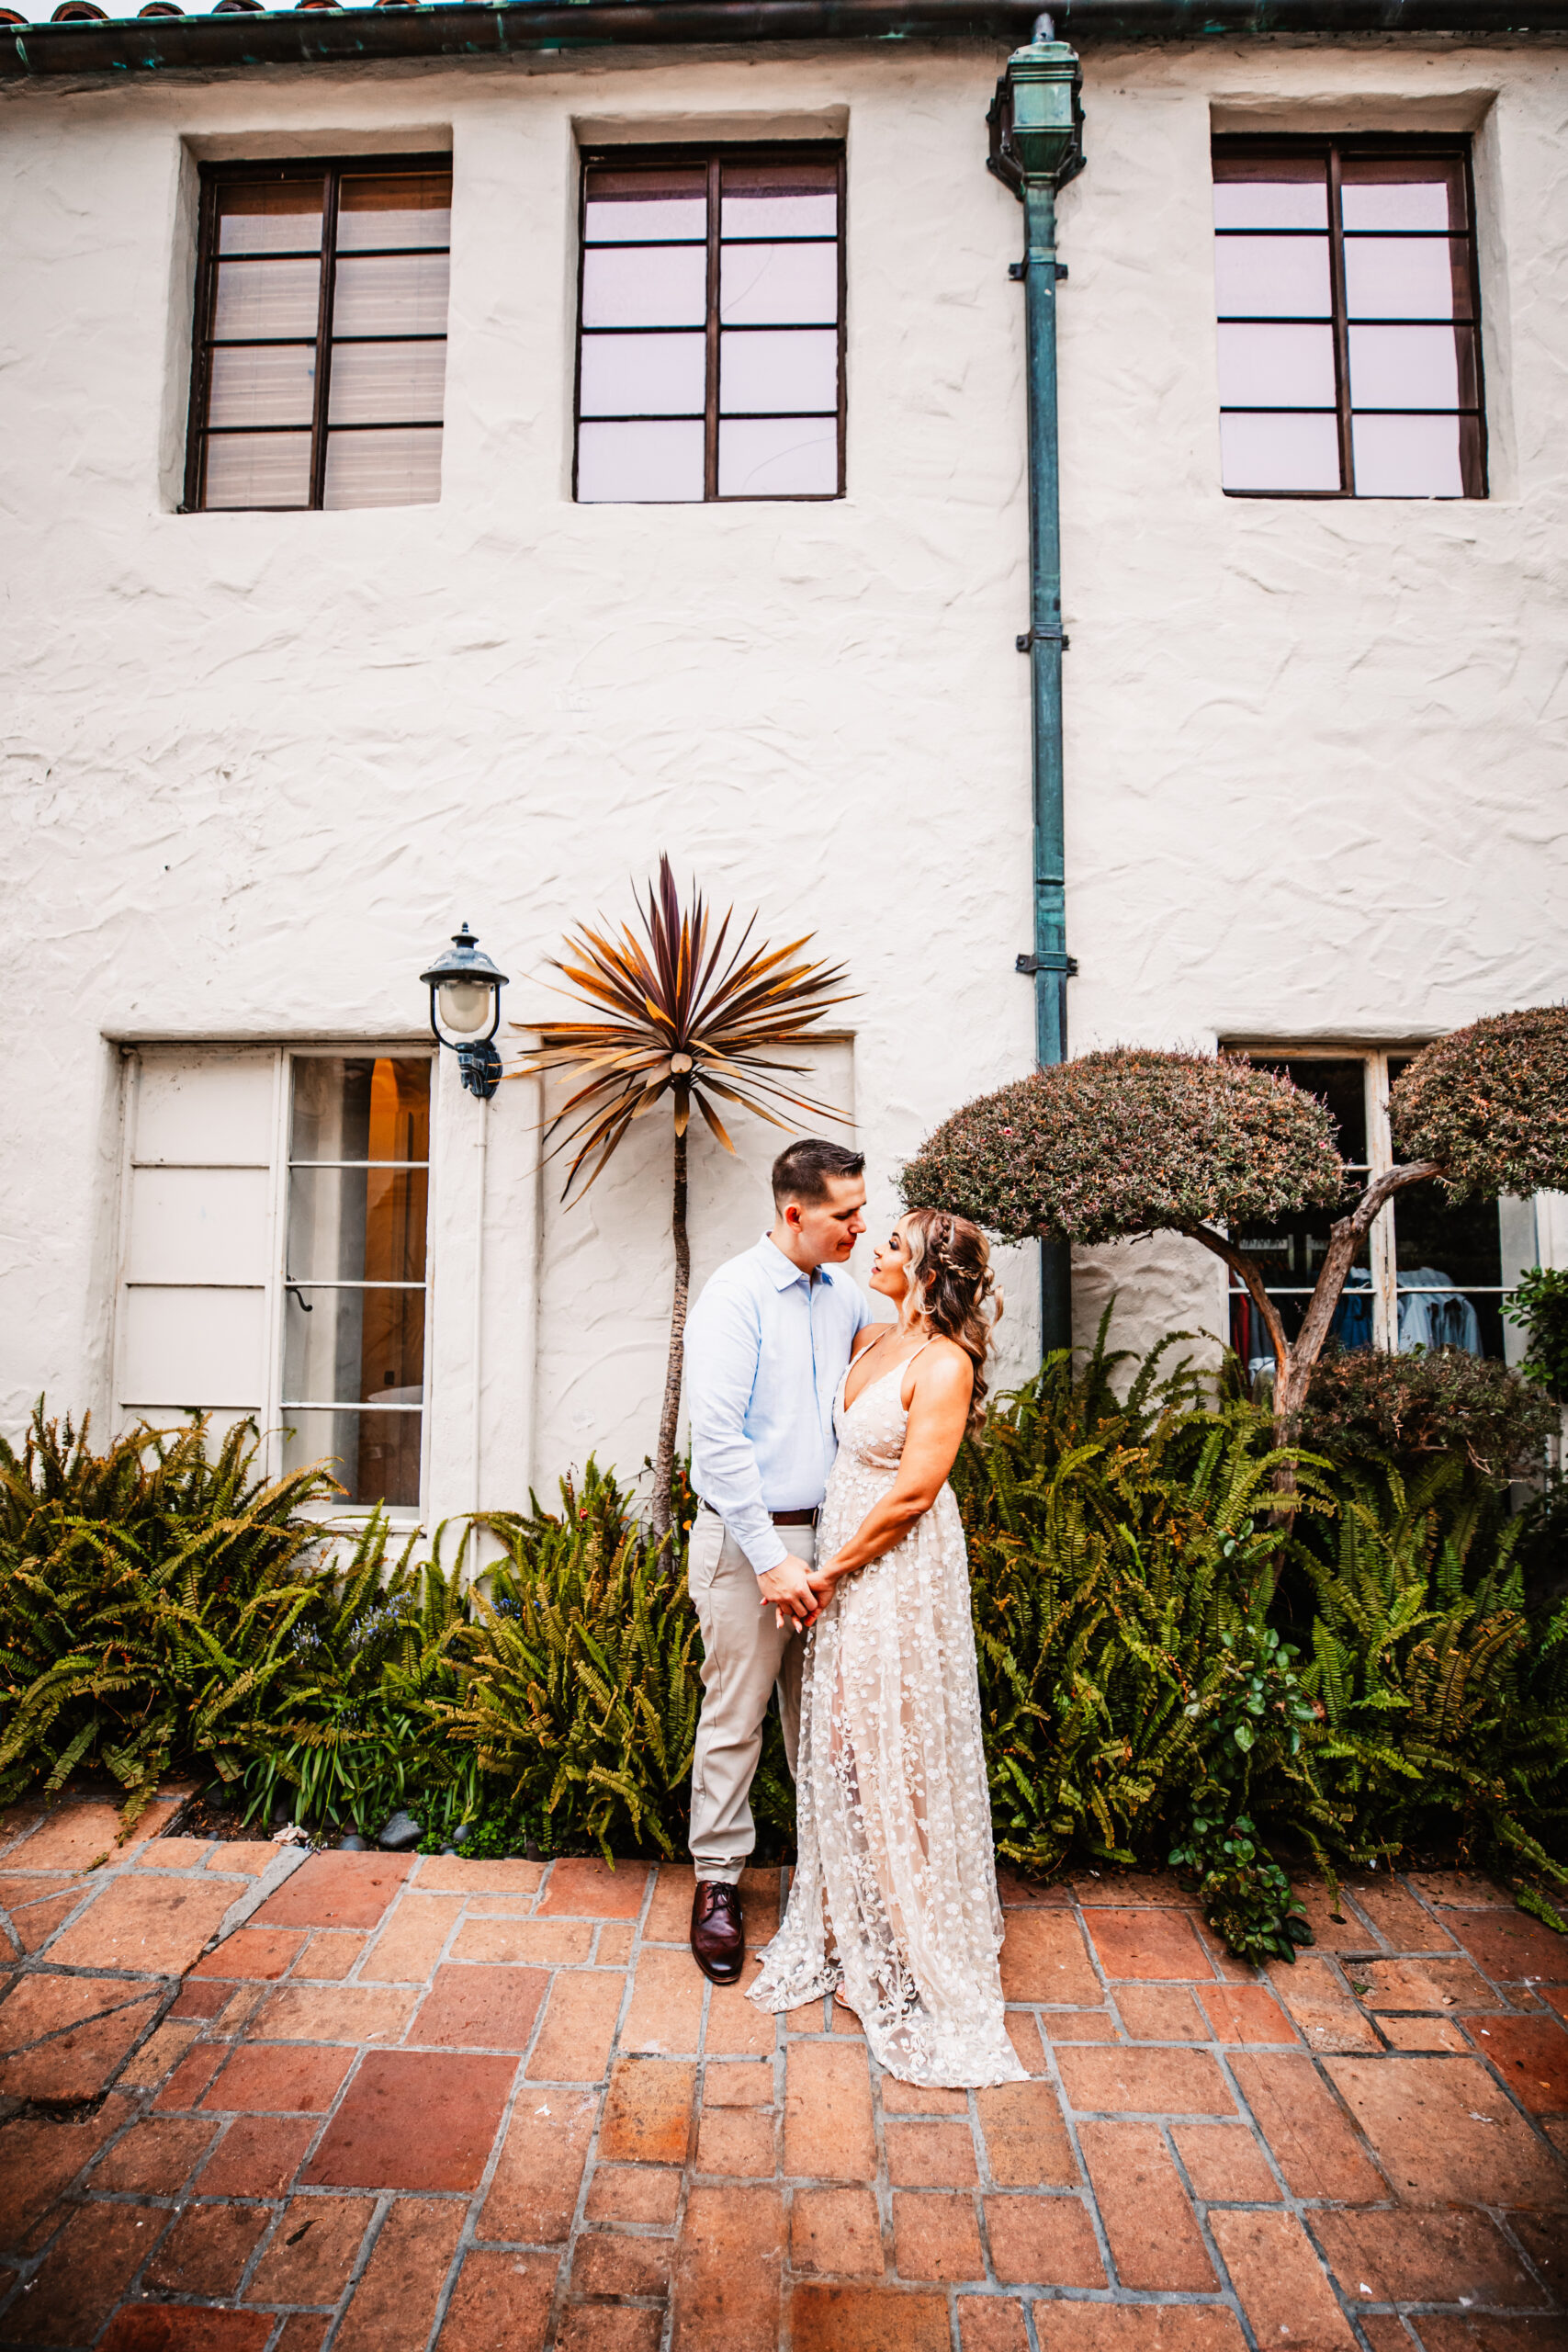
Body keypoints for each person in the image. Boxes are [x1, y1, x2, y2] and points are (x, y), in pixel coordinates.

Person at [747, 1207, 1026, 2089]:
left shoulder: (945, 1362)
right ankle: (847, 1917)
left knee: (895, 1748)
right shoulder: (874, 1333)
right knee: (836, 1741)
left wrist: (828, 1571)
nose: (876, 1248)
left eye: (893, 1244)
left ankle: (915, 1935)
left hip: (893, 1570)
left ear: (928, 1272)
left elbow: (912, 1495)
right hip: (846, 1557)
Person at [682, 1136, 873, 1984]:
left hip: (829, 1547)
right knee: (736, 1717)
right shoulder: (733, 1295)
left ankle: (828, 1881)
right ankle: (717, 1885)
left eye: (863, 1211)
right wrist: (767, 1559)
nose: (859, 1227)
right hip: (745, 1544)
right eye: (845, 1214)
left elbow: (907, 1337)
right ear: (794, 1213)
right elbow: (716, 1441)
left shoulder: (844, 1297)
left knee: (822, 1724)